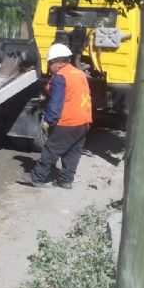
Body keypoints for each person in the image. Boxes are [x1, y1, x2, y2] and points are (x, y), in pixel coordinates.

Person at [24, 43, 92, 189]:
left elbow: (56, 102)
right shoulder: (78, 73)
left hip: (67, 121)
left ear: (60, 62)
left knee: (51, 149)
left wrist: (48, 120)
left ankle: (36, 178)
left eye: (51, 63)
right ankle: (66, 180)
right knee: (73, 152)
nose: (49, 67)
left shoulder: (60, 77)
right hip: (83, 121)